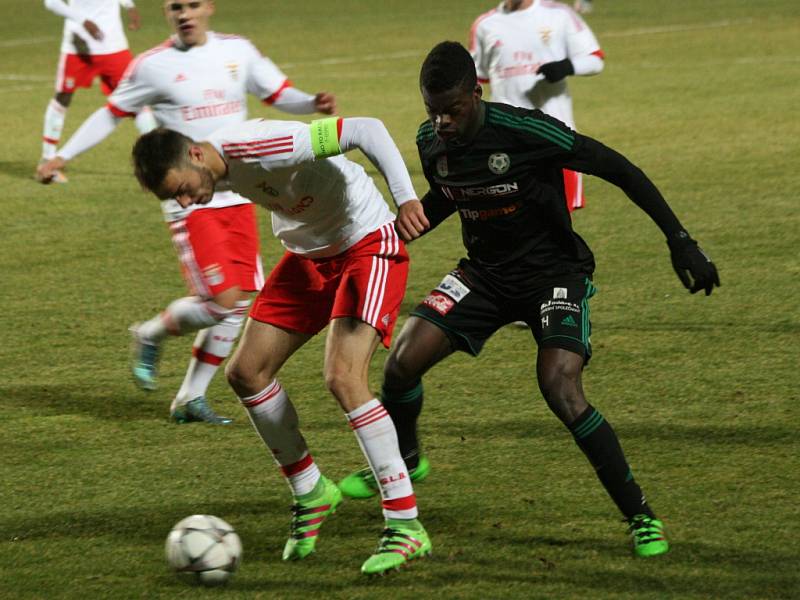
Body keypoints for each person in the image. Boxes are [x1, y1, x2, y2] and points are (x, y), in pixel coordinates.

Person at [337, 41, 720, 559]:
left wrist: (681, 241)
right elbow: (451, 194)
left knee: (559, 387)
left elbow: (619, 168)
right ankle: (406, 458)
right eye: (433, 111)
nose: (443, 122)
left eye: (453, 110)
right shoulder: (431, 141)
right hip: (484, 277)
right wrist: (394, 235)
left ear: (477, 92)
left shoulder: (526, 131)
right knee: (402, 362)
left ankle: (641, 515)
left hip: (553, 275)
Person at [130, 115, 433, 575]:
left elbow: (365, 129)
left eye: (184, 189)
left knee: (343, 377)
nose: (187, 201)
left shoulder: (260, 146)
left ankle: (405, 524)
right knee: (246, 372)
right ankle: (311, 491)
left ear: (195, 154)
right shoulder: (220, 171)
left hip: (366, 243)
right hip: (310, 255)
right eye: (176, 199)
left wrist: (406, 197)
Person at [37, 0, 337, 424]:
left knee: (235, 303)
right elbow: (111, 113)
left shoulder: (237, 51)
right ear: (167, 12)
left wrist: (311, 103)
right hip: (188, 199)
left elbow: (276, 93)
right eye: (175, 6)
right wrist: (62, 155)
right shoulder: (151, 65)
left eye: (192, 4)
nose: (184, 13)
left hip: (238, 191)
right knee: (223, 301)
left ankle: (189, 399)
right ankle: (150, 333)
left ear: (208, 7)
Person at [470, 0, 604, 212]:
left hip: (555, 137)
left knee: (560, 223)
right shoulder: (485, 24)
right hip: (506, 143)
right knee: (513, 220)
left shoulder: (559, 15)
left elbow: (595, 59)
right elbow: (478, 76)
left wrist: (567, 66)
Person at [39, 0, 156, 183]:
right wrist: (83, 20)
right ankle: (47, 160)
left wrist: (129, 5)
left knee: (137, 101)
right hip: (78, 46)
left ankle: (157, 160)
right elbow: (51, 3)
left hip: (114, 46)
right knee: (63, 97)